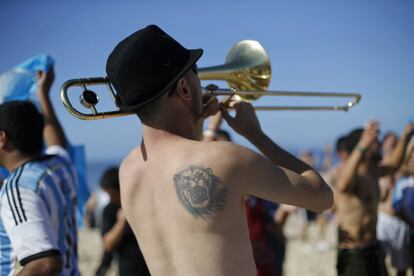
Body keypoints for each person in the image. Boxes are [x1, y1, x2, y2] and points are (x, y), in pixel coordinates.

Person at [105, 24, 333, 276]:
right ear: (183, 88)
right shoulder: (225, 157)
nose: (200, 82)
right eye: (195, 74)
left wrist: (195, 120)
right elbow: (321, 196)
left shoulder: (128, 170)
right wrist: (255, 134)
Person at [0, 67, 79, 274]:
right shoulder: (59, 165)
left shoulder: (17, 189)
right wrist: (43, 94)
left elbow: (45, 264)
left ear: (2, 138)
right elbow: (56, 141)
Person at [334, 121, 414, 276]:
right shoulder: (349, 175)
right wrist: (363, 144)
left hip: (373, 248)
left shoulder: (374, 172)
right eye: (375, 142)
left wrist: (405, 136)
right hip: (353, 253)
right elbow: (342, 185)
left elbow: (394, 165)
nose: (379, 145)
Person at [99, 167, 150, 276]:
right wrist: (122, 222)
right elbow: (108, 245)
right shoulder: (109, 210)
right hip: (128, 269)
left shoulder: (142, 206)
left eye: (112, 194)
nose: (110, 199)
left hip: (150, 267)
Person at [377, 132, 411, 276]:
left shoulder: (403, 167)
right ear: (383, 144)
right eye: (389, 142)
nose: (391, 145)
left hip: (400, 219)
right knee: (379, 261)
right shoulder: (377, 166)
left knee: (401, 267)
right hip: (382, 218)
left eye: (395, 143)